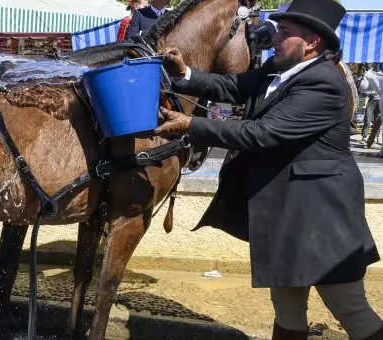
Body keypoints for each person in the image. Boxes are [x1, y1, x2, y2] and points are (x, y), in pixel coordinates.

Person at [154, 0, 382, 339]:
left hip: (321, 218)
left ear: (312, 42)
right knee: (287, 307)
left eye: (285, 33)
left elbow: (262, 133)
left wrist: (190, 124)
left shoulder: (322, 83)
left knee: (349, 308)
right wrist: (184, 73)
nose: (273, 38)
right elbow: (233, 87)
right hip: (286, 213)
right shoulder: (277, 71)